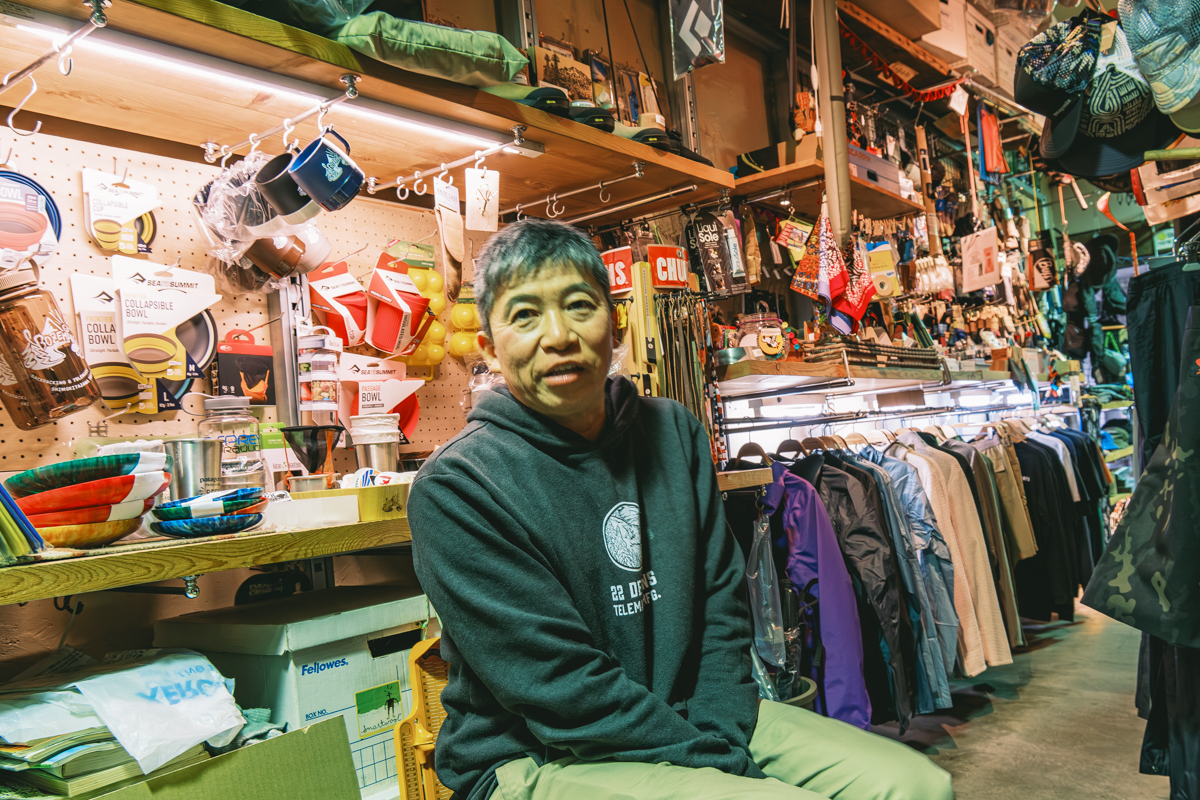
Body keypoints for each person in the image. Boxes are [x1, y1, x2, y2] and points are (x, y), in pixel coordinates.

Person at [407, 219, 954, 800]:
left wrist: (719, 739)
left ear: (617, 324)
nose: (558, 335)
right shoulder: (458, 486)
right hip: (538, 754)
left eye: (579, 306)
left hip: (698, 715)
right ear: (489, 348)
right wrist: (716, 766)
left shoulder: (674, 432)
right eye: (524, 315)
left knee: (917, 785)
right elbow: (561, 689)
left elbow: (721, 605)